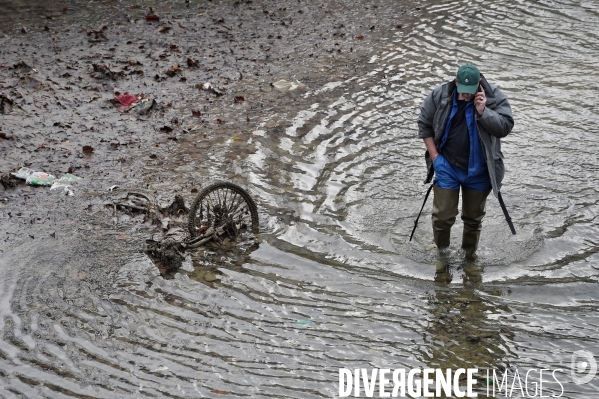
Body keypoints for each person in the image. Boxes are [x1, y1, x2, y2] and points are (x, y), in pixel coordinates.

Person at [417, 64, 514, 259]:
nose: (467, 96)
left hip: (480, 170)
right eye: (464, 92)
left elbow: (505, 127)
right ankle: (441, 255)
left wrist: (483, 111)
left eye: (471, 92)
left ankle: (469, 258)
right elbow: (424, 125)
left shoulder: (494, 96)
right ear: (456, 82)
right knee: (442, 218)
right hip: (447, 165)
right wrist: (435, 158)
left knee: (473, 220)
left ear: (479, 84)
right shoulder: (439, 95)